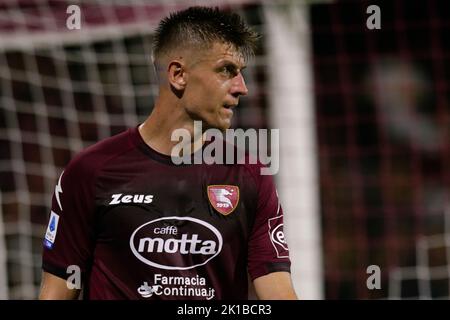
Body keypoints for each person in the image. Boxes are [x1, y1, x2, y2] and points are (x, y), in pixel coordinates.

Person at [39, 6, 297, 300]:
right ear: (178, 74)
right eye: (226, 70)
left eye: (241, 73)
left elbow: (278, 291)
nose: (242, 88)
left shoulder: (249, 174)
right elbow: (57, 292)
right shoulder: (91, 171)